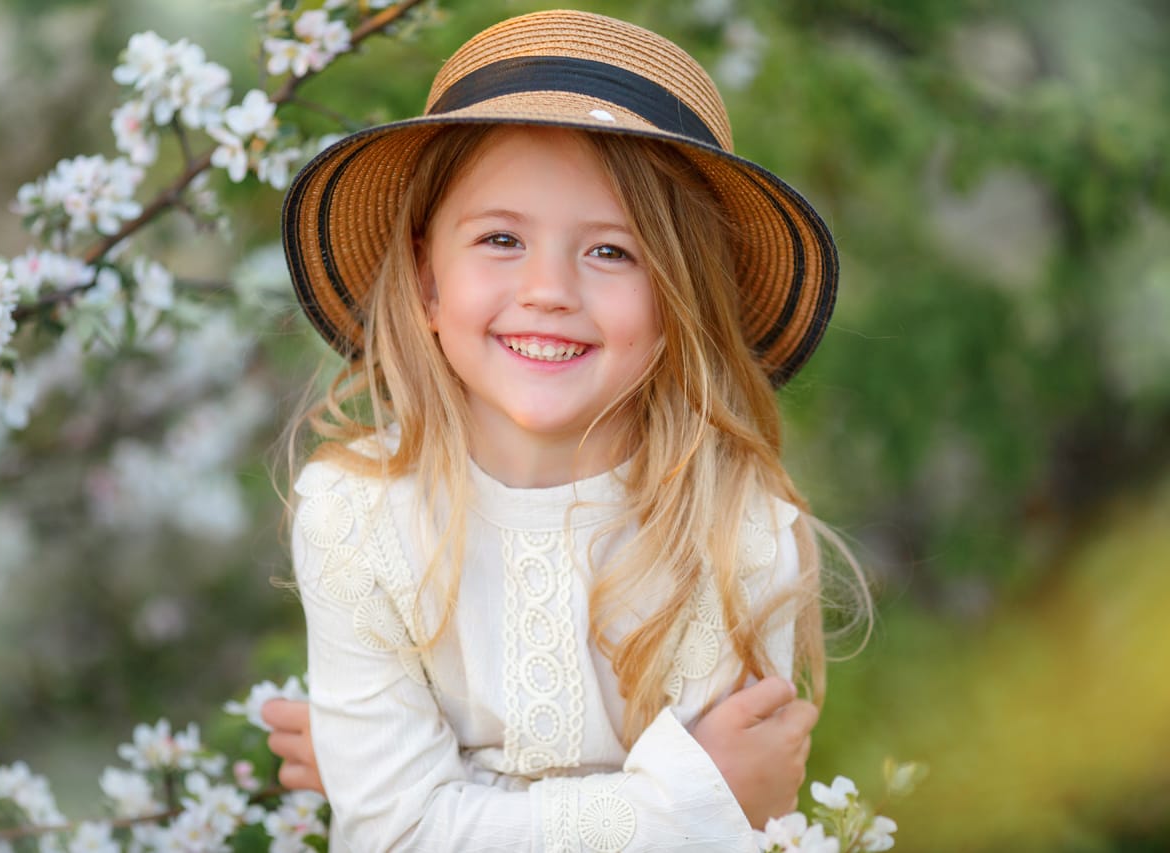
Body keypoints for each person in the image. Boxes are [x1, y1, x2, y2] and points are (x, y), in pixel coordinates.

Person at [267, 8, 860, 850]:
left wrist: (436, 795)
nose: (548, 289)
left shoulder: (734, 532)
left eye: (612, 251)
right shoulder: (357, 517)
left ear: (680, 303)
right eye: (501, 237)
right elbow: (396, 835)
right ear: (427, 278)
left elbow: (738, 833)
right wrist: (691, 800)